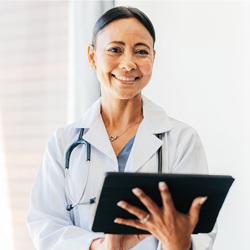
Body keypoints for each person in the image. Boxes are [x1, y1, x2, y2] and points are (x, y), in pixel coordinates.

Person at [27, 6, 217, 250]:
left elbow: (201, 234)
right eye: (115, 49)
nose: (128, 64)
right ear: (92, 56)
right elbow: (45, 228)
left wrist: (180, 244)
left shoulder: (182, 140)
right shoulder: (63, 143)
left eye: (141, 51)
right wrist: (101, 246)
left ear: (153, 59)